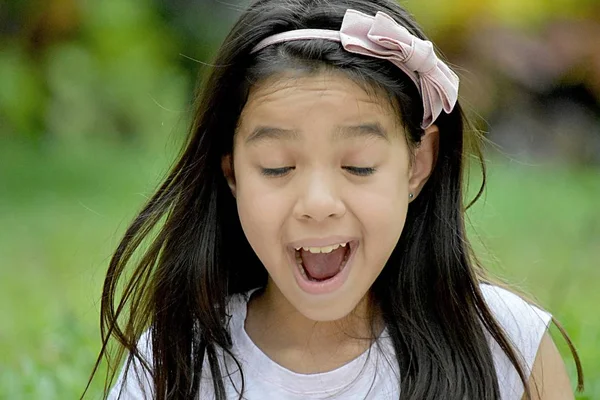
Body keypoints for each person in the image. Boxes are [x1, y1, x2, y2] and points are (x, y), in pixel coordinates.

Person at [86, 0, 584, 399]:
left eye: (358, 165)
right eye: (278, 166)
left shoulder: (508, 348)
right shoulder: (177, 359)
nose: (318, 202)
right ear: (232, 172)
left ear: (417, 164)